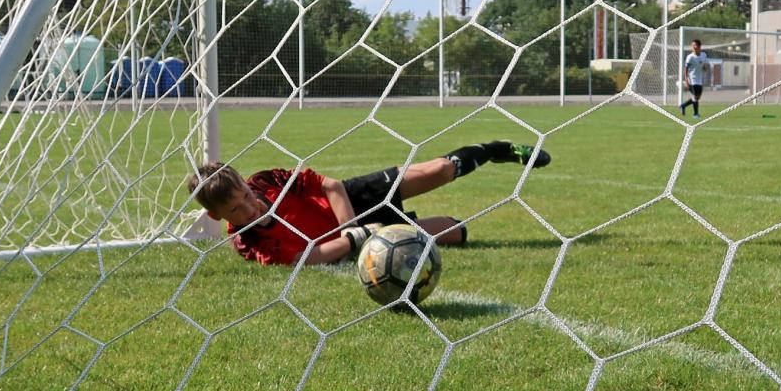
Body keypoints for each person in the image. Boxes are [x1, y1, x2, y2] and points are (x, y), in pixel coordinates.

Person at [185, 141, 551, 266]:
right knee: (453, 231)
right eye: (237, 209)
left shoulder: (267, 181)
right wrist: (355, 241)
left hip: (353, 199)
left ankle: (496, 151)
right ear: (216, 216)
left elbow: (329, 185)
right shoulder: (250, 244)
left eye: (247, 198)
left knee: (440, 169)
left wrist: (349, 227)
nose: (251, 208)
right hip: (359, 243)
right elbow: (305, 259)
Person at [680, 39, 709, 119]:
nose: (694, 47)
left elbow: (705, 66)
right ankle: (696, 114)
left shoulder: (704, 55)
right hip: (692, 79)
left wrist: (705, 68)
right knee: (695, 96)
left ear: (699, 46)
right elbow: (686, 69)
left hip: (699, 80)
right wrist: (686, 80)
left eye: (695, 45)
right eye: (693, 46)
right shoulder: (690, 57)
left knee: (698, 97)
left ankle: (683, 106)